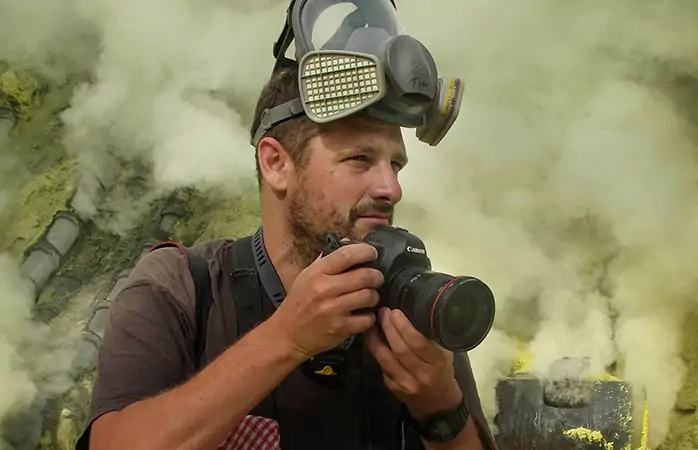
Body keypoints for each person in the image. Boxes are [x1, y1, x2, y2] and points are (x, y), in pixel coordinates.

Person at [75, 1, 498, 449]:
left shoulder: (414, 309)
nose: (391, 188)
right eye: (359, 159)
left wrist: (440, 407)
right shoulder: (181, 289)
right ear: (276, 164)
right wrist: (287, 338)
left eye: (396, 164)